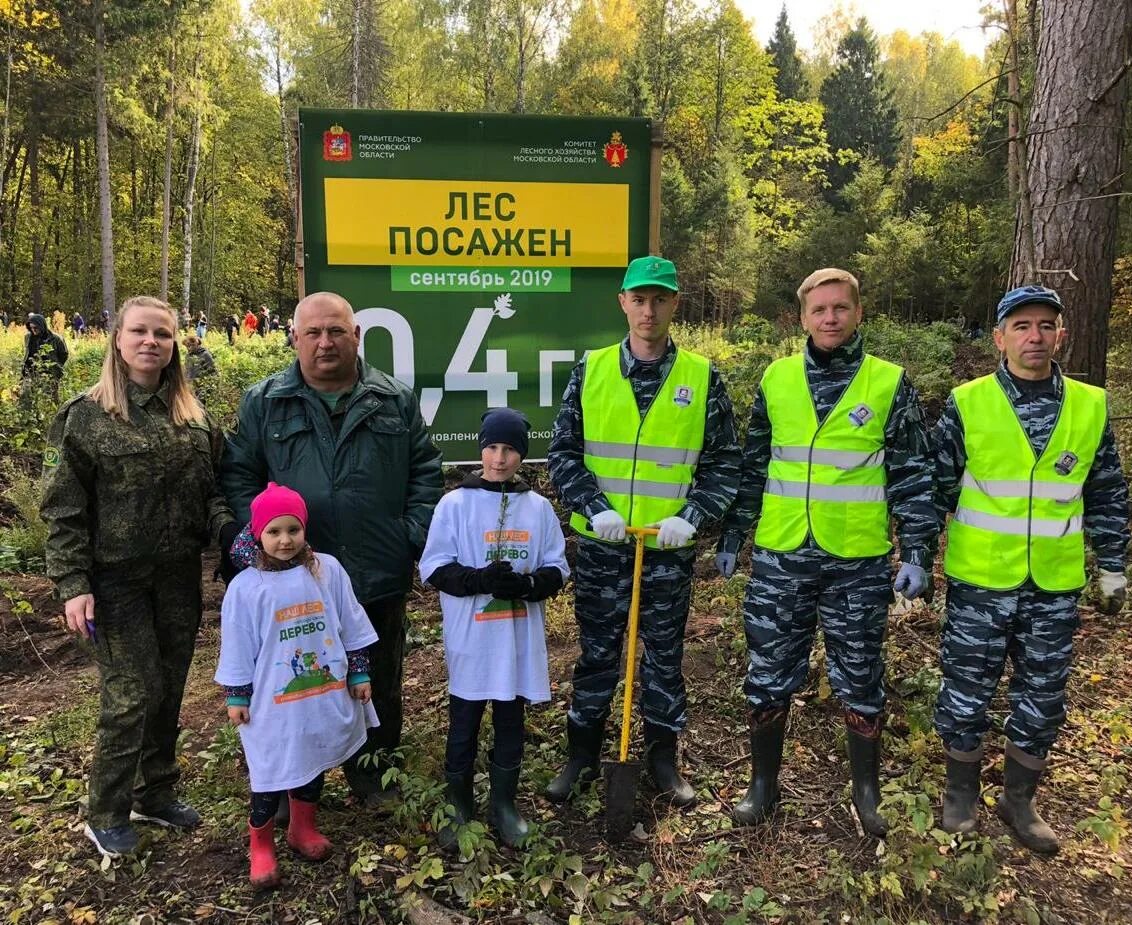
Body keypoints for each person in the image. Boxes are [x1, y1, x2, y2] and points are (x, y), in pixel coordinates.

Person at [715, 268, 937, 834]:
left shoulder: (888, 382)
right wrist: (734, 534)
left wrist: (916, 549)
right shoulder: (777, 379)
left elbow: (912, 472)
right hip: (781, 554)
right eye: (820, 310)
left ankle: (866, 791)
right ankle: (763, 786)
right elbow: (754, 465)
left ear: (858, 313)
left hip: (856, 561)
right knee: (767, 672)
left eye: (840, 308)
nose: (830, 318)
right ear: (803, 317)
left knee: (861, 674)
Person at [220, 290, 443, 805]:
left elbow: (426, 474)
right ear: (294, 338)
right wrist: (258, 544)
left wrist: (409, 535)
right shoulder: (265, 400)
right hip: (291, 581)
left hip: (376, 567)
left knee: (378, 674)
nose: (326, 343)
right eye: (314, 333)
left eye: (337, 331)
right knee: (294, 680)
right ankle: (299, 785)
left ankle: (374, 775)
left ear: (356, 336)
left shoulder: (394, 398)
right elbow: (239, 476)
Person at [932, 285, 1130, 854]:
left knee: (1043, 692)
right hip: (981, 581)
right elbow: (935, 485)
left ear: (1061, 334)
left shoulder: (1090, 406)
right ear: (999, 338)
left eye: (1046, 325)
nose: (1034, 337)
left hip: (1053, 583)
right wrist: (918, 552)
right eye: (1021, 326)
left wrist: (1113, 565)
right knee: (967, 688)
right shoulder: (967, 402)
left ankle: (1019, 799)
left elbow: (1107, 491)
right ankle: (961, 793)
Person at [40, 295, 236, 858]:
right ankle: (106, 809)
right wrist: (73, 584)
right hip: (115, 581)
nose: (151, 342)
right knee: (129, 694)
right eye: (140, 332)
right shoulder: (85, 416)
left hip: (177, 576)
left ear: (175, 345)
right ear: (117, 340)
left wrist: (229, 536)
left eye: (163, 334)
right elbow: (63, 508)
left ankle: (156, 791)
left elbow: (216, 492)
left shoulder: (193, 418)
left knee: (170, 684)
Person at [545, 256, 741, 807]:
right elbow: (563, 454)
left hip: (666, 549)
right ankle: (581, 755)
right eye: (639, 298)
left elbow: (725, 463)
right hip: (605, 545)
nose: (648, 310)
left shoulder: (702, 377)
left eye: (660, 299)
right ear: (623, 302)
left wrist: (693, 516)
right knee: (598, 652)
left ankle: (662, 759)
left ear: (675, 303)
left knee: (662, 654)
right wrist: (591, 504)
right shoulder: (593, 369)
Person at [216, 483, 379, 889]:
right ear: (257, 535)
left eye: (293, 529)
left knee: (313, 755)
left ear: (305, 529)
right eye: (274, 532)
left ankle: (302, 829)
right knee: (270, 771)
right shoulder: (246, 587)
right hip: (271, 702)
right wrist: (236, 692)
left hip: (322, 695)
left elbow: (352, 624)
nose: (285, 540)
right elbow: (236, 643)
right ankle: (261, 845)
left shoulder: (327, 570)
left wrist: (358, 672)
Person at [421, 409, 569, 849]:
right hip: (472, 639)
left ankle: (504, 805)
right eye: (492, 447)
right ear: (480, 448)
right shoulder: (455, 504)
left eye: (509, 449)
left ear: (522, 455)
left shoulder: (538, 508)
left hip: (517, 638)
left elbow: (557, 566)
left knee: (510, 719)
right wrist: (478, 580)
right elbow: (434, 565)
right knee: (463, 721)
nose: (499, 458)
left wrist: (527, 584)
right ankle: (458, 805)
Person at [22, 312, 69, 404]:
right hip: (31, 371)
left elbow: (64, 354)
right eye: (31, 328)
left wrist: (55, 366)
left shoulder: (56, 339)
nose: (33, 330)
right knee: (28, 396)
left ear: (42, 326)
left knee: (51, 398)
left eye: (35, 328)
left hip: (50, 373)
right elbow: (27, 352)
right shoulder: (28, 337)